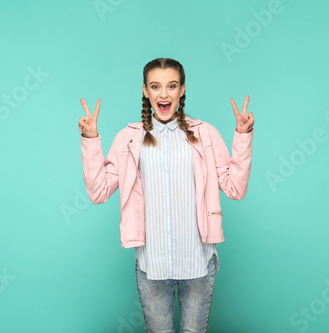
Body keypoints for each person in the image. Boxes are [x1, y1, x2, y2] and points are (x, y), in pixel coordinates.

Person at [79, 58, 254, 332]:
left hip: (198, 260)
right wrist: (90, 140)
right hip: (152, 262)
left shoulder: (205, 134)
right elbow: (99, 191)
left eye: (171, 86)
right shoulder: (129, 138)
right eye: (155, 86)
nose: (164, 94)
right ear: (146, 91)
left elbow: (235, 188)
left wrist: (242, 137)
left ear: (182, 89)